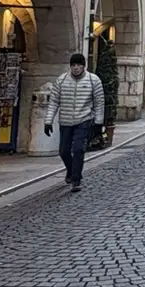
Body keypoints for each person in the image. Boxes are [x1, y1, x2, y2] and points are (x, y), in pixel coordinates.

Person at [46, 51, 105, 191]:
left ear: (84, 66)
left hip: (84, 119)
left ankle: (76, 179)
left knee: (78, 149)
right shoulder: (61, 80)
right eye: (73, 65)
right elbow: (54, 101)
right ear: (70, 66)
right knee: (63, 151)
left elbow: (99, 102)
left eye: (79, 65)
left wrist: (98, 122)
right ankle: (71, 170)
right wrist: (48, 121)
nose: (76, 68)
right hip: (65, 121)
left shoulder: (93, 80)